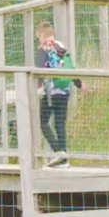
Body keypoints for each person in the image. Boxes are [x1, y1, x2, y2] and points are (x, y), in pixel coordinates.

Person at [34, 21, 81, 167]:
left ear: (42, 36)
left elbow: (39, 68)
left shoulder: (44, 48)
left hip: (50, 92)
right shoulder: (61, 46)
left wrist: (36, 87)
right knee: (59, 123)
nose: (38, 41)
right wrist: (79, 84)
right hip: (65, 90)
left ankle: (59, 153)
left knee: (43, 122)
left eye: (38, 38)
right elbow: (70, 66)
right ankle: (63, 158)